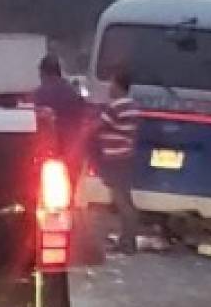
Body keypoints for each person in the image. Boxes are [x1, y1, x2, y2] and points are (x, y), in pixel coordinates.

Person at [95, 68, 140, 253]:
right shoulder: (133, 106)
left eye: (112, 83)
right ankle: (128, 239)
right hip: (126, 157)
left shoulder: (115, 107)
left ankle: (127, 243)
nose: (109, 88)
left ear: (119, 86)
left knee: (121, 200)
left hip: (115, 158)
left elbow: (97, 127)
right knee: (126, 200)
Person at [32, 54, 87, 172]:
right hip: (73, 150)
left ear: (43, 72)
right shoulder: (73, 92)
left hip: (49, 152)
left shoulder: (39, 94)